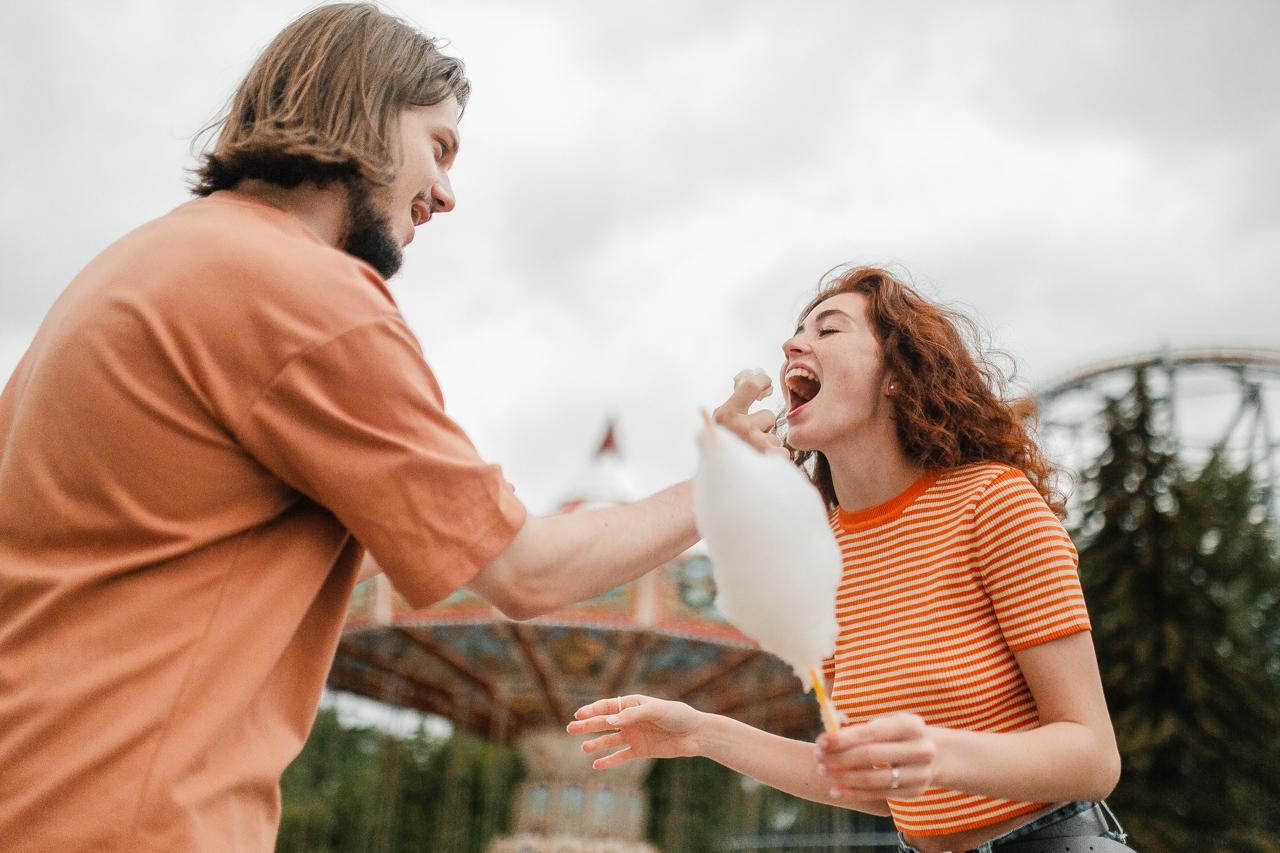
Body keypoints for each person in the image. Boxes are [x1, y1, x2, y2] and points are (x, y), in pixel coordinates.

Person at [0, 5, 726, 851]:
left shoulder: (128, 271)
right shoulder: (302, 293)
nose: (447, 194)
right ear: (365, 111)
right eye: (439, 146)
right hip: (136, 821)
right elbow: (527, 572)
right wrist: (733, 483)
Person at [570, 266, 1133, 853]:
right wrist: (701, 733)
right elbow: (871, 785)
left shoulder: (992, 503)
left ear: (897, 375)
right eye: (796, 332)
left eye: (828, 329)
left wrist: (939, 754)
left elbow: (1093, 758)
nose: (792, 345)